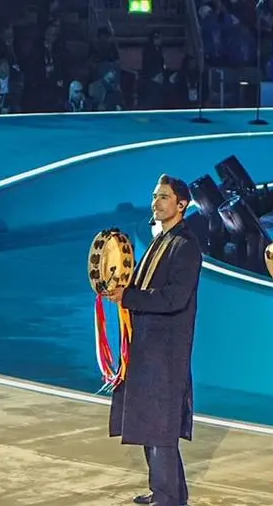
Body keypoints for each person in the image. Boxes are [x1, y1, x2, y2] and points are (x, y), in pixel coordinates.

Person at [106, 174, 202, 506]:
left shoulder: (185, 246)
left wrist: (129, 298)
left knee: (160, 427)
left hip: (165, 351)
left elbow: (174, 298)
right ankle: (166, 492)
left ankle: (169, 497)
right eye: (155, 196)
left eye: (164, 197)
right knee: (150, 423)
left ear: (182, 204)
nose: (156, 202)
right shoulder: (161, 240)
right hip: (147, 348)